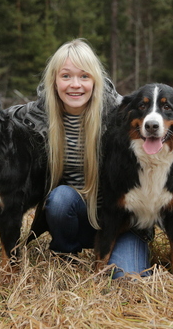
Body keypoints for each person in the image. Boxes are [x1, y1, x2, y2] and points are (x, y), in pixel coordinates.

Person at [10, 39, 151, 279]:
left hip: (124, 219)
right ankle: (66, 252)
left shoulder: (122, 114)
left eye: (84, 76)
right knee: (60, 199)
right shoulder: (34, 116)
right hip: (73, 212)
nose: (75, 85)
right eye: (66, 76)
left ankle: (123, 250)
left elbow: (166, 129)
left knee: (128, 279)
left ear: (95, 79)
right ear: (54, 80)